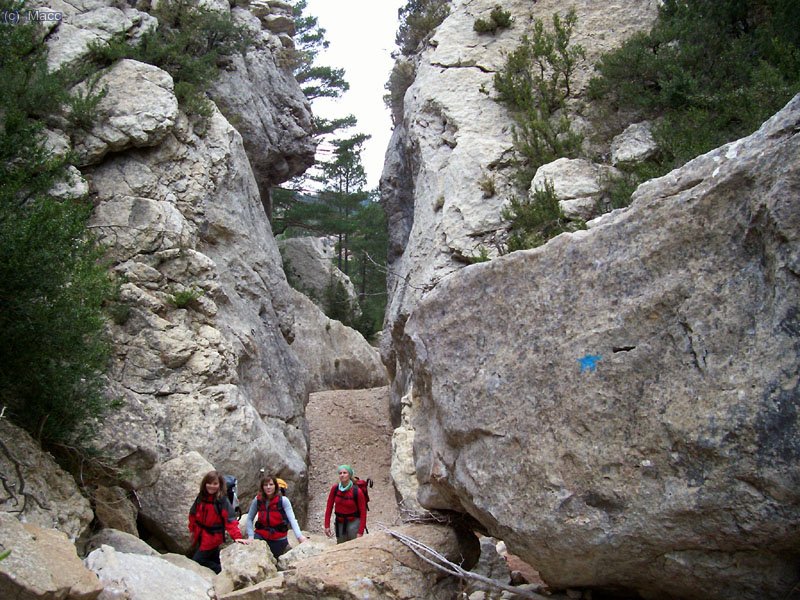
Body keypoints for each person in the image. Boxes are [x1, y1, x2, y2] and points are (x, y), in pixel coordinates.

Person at [188, 470, 248, 573]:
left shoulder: (222, 500)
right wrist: (192, 529)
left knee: (198, 560)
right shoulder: (202, 496)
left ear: (219, 485)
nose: (212, 486)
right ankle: (222, 572)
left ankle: (225, 572)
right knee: (213, 558)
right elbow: (193, 513)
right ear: (204, 484)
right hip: (201, 534)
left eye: (215, 484)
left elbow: (230, 520)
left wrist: (237, 537)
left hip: (213, 537)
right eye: (209, 483)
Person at [246, 475, 307, 559]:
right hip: (260, 536)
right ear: (262, 487)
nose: (268, 487)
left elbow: (292, 520)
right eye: (265, 485)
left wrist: (300, 537)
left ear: (275, 486)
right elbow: (249, 518)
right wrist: (251, 536)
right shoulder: (257, 500)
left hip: (278, 538)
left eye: (271, 484)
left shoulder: (283, 501)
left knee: (276, 561)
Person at [324, 464, 367, 543]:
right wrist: (327, 525)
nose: (342, 475)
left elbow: (363, 512)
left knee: (354, 547)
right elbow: (329, 507)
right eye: (340, 473)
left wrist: (360, 532)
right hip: (339, 523)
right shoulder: (335, 489)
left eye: (345, 473)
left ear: (349, 475)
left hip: (354, 523)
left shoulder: (357, 491)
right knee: (341, 546)